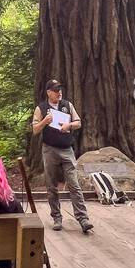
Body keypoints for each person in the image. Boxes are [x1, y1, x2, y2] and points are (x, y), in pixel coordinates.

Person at [30, 79, 93, 234]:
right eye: (55, 90)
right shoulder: (41, 108)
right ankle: (57, 217)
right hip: (50, 150)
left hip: (67, 150)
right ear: (48, 92)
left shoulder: (67, 105)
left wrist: (69, 125)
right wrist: (45, 121)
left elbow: (78, 122)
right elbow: (35, 130)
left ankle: (83, 218)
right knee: (51, 186)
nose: (59, 93)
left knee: (74, 184)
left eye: (60, 90)